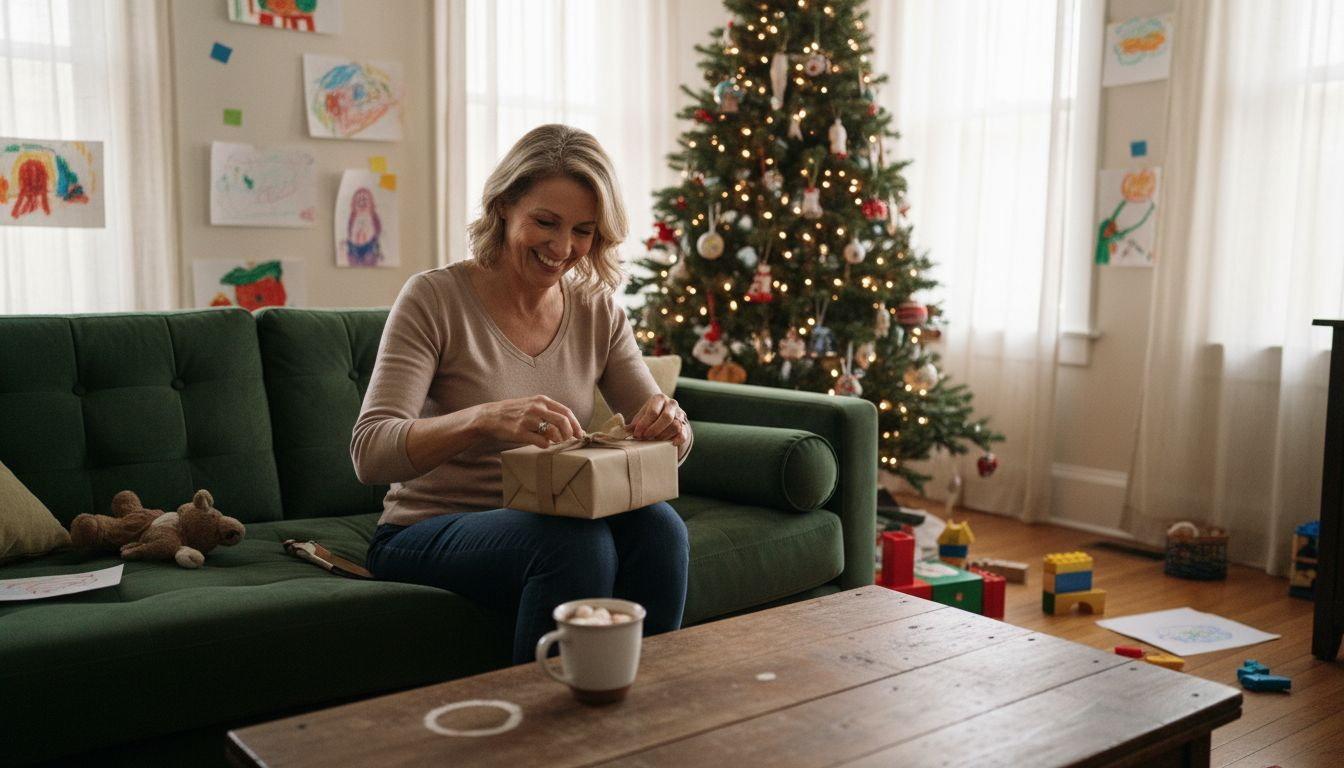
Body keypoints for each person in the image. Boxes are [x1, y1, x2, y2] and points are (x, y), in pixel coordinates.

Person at [351, 124, 691, 665]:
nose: (563, 249)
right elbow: (370, 452)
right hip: (424, 532)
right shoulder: (434, 298)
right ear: (504, 205)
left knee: (660, 529)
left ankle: (640, 716)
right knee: (574, 544)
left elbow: (665, 435)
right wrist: (483, 419)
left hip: (552, 517)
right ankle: (542, 738)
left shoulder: (596, 310)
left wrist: (673, 426)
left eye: (583, 230)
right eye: (545, 222)